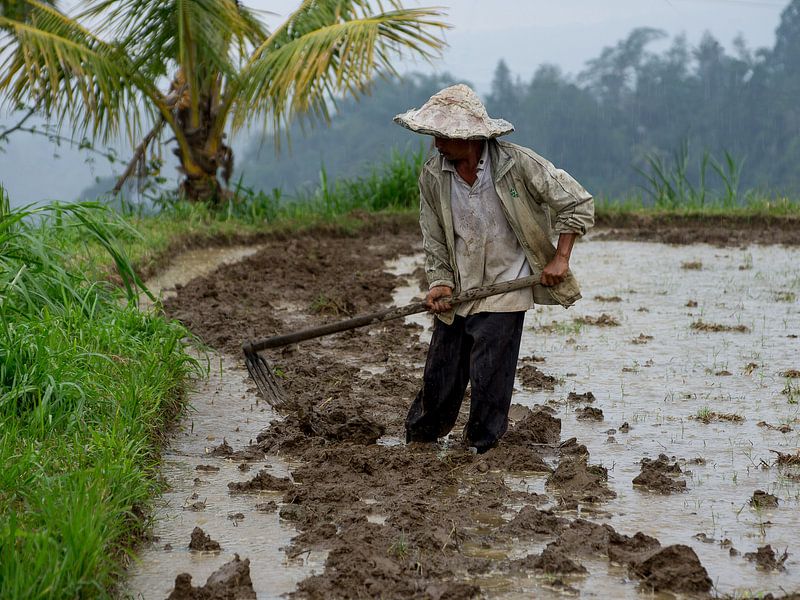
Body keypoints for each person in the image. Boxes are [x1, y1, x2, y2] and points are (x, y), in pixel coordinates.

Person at [393, 84, 594, 454]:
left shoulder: (516, 165)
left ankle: (481, 451)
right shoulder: (434, 175)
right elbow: (434, 235)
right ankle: (419, 443)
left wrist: (560, 258)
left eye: (444, 136)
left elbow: (577, 204)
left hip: (506, 288)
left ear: (469, 137)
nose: (436, 144)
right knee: (440, 376)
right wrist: (439, 282)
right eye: (434, 135)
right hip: (459, 292)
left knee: (489, 381)